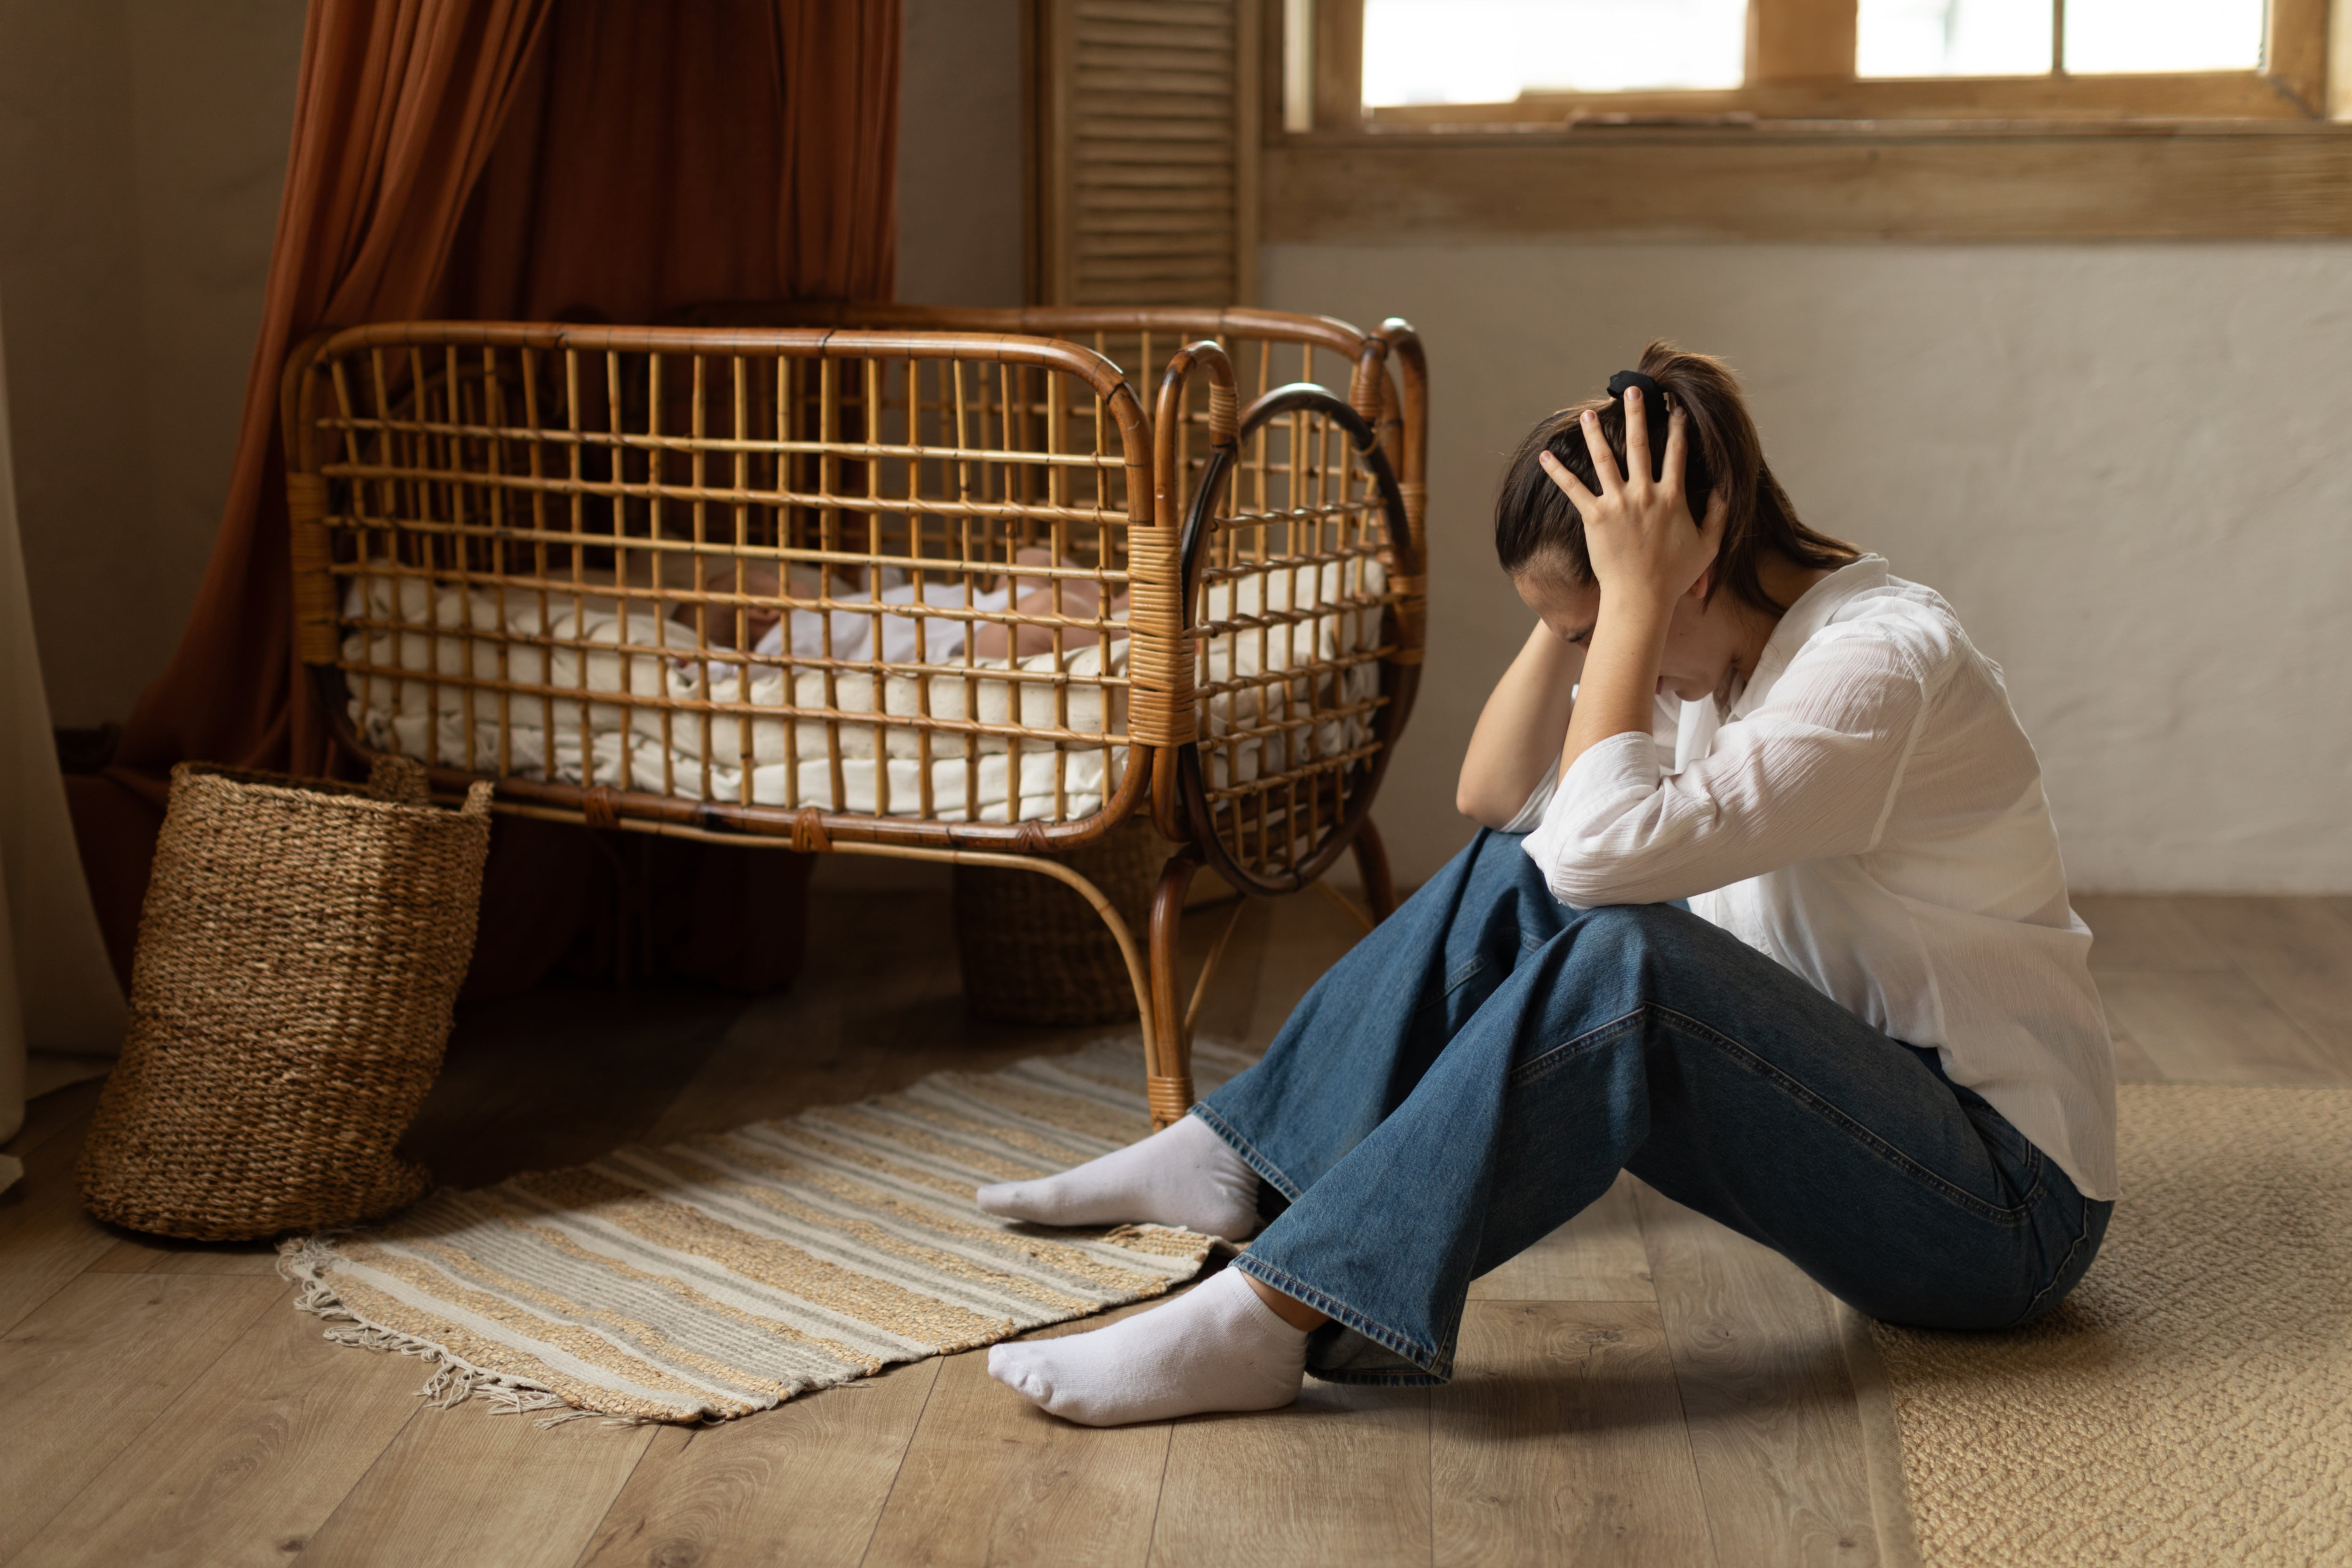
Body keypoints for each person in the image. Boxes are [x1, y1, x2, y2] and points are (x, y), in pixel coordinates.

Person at [974, 342, 2117, 1427]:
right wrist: (1589, 613)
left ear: (1690, 572)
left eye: (1598, 625)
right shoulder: (1707, 654)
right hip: (1863, 1121)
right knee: (1522, 869)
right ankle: (1237, 1155)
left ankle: (1268, 1315)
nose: (1595, 653)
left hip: (2003, 1210)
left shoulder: (1876, 667)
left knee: (1631, 962)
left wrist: (1624, 606)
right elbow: (1495, 800)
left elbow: (1592, 856)